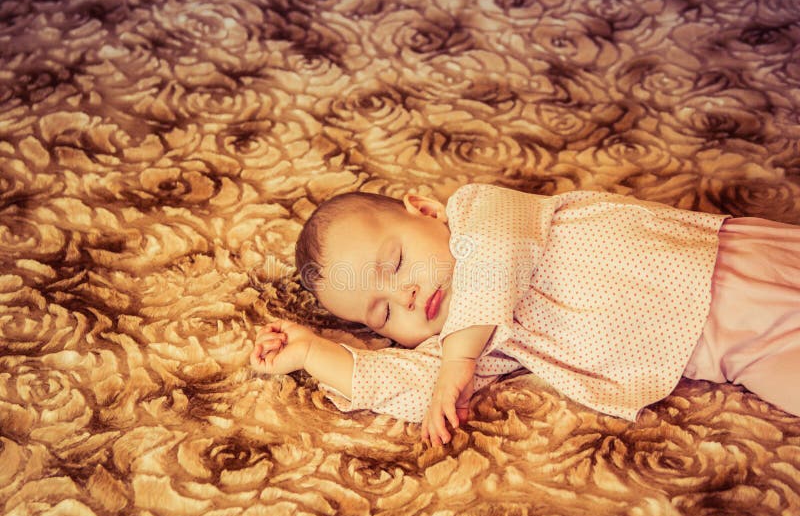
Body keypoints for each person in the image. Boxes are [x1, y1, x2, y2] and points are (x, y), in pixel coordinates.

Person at [249, 184, 800, 445]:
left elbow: (500, 248)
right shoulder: (464, 349)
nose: (409, 296)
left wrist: (458, 358)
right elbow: (418, 391)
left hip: (725, 259)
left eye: (395, 263)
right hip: (735, 351)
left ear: (422, 209)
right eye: (383, 313)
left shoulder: (476, 212)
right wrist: (312, 353)